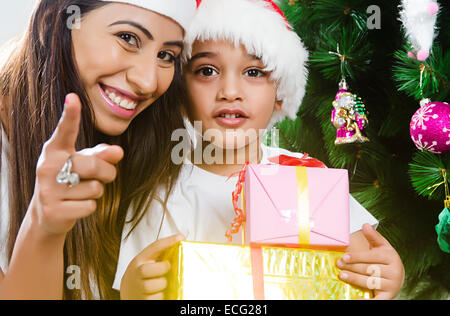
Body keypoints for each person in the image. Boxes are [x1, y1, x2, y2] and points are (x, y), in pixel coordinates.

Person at [115, 0, 405, 300]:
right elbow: (138, 278)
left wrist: (388, 276)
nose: (230, 92)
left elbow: (362, 265)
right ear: (180, 91)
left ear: (280, 92)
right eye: (207, 70)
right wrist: (131, 291)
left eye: (253, 72)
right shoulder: (158, 191)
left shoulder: (305, 176)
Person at [0, 0, 197, 299]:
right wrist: (44, 228)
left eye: (166, 55)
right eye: (128, 38)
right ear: (53, 20)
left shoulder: (150, 147)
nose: (147, 81)